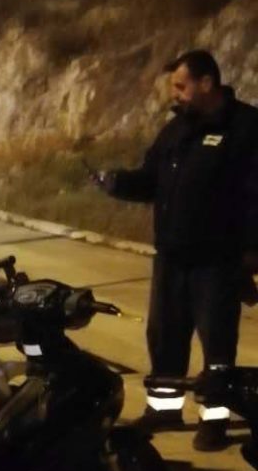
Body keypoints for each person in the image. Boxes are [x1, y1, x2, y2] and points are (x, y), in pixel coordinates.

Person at [92, 50, 258, 450]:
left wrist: (252, 253)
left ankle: (214, 418)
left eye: (181, 86)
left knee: (217, 342)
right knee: (165, 336)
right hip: (170, 258)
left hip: (217, 260)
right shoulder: (176, 130)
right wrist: (119, 183)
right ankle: (164, 409)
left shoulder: (246, 128)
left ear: (207, 83)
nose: (176, 94)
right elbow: (151, 180)